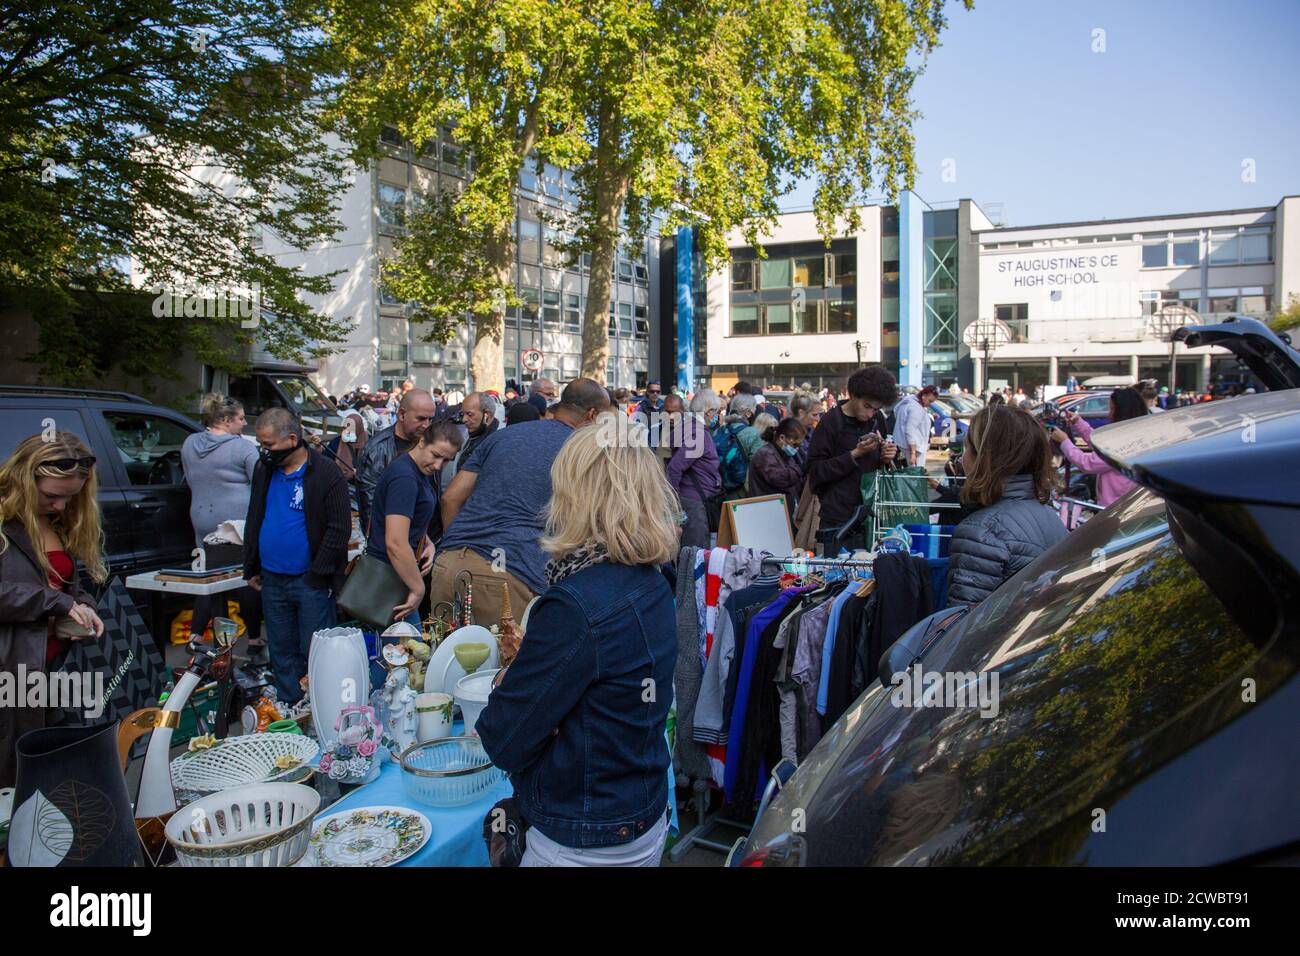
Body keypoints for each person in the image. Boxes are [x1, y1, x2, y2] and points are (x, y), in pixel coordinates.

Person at [476, 418, 679, 867]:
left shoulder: (577, 603)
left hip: (584, 838)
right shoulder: (654, 579)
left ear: (577, 495)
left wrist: (521, 696)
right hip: (638, 812)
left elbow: (503, 737)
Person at [431, 379, 611, 626]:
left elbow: (450, 497)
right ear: (592, 415)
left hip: (448, 566)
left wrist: (461, 543)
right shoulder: (583, 451)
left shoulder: (503, 436)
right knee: (503, 663)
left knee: (442, 660)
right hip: (509, 573)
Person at [0, 433, 108, 787]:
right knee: (17, 781)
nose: (61, 506)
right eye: (51, 496)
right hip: (13, 673)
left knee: (62, 777)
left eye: (70, 498)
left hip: (59, 669)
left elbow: (72, 587)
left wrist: (84, 608)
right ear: (23, 480)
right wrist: (56, 603)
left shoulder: (61, 522)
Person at [244, 409, 352, 703]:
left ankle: (321, 707)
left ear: (292, 439)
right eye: (261, 445)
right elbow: (255, 515)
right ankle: (289, 707)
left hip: (310, 581)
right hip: (272, 578)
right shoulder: (265, 470)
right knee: (281, 650)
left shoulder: (326, 472)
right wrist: (251, 564)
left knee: (316, 651)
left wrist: (319, 574)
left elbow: (339, 528)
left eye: (269, 445)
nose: (263, 452)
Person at [947, 404, 1066, 607]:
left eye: (967, 448)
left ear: (983, 459)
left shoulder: (983, 530)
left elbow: (964, 625)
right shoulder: (1050, 516)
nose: (962, 457)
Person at [181, 393, 261, 646]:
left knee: (210, 578)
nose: (244, 423)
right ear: (226, 420)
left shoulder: (190, 443)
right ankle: (255, 638)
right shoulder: (243, 447)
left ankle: (203, 637)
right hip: (235, 524)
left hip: (201, 517)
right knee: (245, 578)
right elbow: (260, 482)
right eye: (240, 418)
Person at [367, 421, 463, 627]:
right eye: (436, 455)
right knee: (400, 654)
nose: (438, 465)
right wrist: (418, 588)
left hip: (398, 576)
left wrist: (426, 541)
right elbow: (395, 542)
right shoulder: (405, 477)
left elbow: (410, 517)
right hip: (389, 578)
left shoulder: (417, 470)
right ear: (421, 442)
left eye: (446, 460)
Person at [806, 366, 899, 552]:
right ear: (853, 395)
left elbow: (875, 466)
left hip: (869, 514)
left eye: (876, 409)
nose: (870, 413)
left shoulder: (877, 419)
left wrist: (885, 457)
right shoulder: (831, 422)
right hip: (837, 516)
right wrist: (854, 454)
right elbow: (815, 471)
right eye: (867, 406)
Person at [354, 388, 437, 537]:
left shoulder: (429, 444)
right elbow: (371, 509)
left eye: (430, 419)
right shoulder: (377, 449)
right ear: (402, 414)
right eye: (421, 418)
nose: (426, 425)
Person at [1050, 387, 1148, 508]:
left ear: (1123, 411)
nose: (1109, 413)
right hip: (1123, 503)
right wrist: (1078, 423)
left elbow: (1088, 463)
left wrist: (1064, 442)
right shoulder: (1134, 434)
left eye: (1112, 409)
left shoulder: (1122, 440)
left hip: (1115, 507)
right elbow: (1100, 444)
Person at [664, 390, 722, 549]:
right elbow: (674, 468)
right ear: (709, 412)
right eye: (717, 412)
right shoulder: (697, 434)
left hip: (692, 498)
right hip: (693, 502)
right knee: (694, 555)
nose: (717, 417)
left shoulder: (688, 427)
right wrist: (674, 501)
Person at [746, 418, 807, 518]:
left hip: (778, 511)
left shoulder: (783, 454)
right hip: (767, 513)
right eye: (795, 444)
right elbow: (778, 479)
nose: (797, 448)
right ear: (782, 438)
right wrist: (800, 469)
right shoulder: (765, 454)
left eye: (800, 445)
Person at [442, 392, 499, 490]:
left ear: (487, 415)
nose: (464, 419)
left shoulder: (497, 442)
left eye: (469, 414)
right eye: (463, 414)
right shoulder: (470, 433)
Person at [894, 384, 937, 468]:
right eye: (930, 401)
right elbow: (910, 430)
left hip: (902, 445)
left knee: (908, 474)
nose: (930, 404)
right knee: (915, 476)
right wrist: (913, 453)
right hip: (913, 449)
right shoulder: (916, 408)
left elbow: (896, 413)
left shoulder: (907, 403)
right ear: (924, 396)